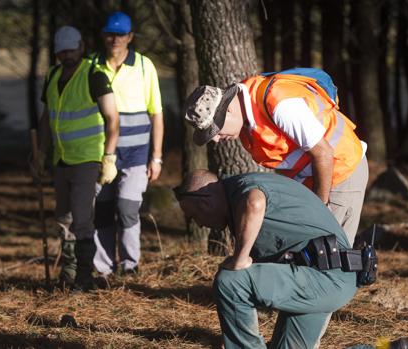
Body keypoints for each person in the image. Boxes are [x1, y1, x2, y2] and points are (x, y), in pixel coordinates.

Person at [174, 169, 358, 349]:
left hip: (326, 276)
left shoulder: (242, 189)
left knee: (229, 281)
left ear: (206, 202)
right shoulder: (237, 194)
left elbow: (255, 203)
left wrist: (240, 257)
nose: (199, 223)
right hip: (328, 278)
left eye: (194, 216)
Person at [183, 71, 368, 247]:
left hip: (341, 172)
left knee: (331, 254)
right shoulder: (248, 121)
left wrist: (318, 211)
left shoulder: (280, 105)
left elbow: (324, 154)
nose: (215, 139)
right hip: (314, 179)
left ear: (229, 110)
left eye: (215, 130)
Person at [32, 26, 119, 291]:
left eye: (71, 50)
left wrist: (109, 157)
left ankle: (84, 277)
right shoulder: (53, 75)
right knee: (63, 218)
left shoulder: (94, 75)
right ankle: (68, 271)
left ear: (81, 47)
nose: (66, 55)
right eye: (62, 51)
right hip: (61, 159)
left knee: (82, 219)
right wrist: (41, 152)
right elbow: (48, 117)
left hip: (87, 159)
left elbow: (112, 118)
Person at [91, 11, 164, 275]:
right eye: (110, 33)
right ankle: (103, 269)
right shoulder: (90, 65)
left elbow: (156, 113)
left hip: (136, 153)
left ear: (130, 37)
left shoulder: (145, 66)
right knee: (102, 209)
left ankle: (130, 266)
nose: (115, 39)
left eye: (120, 34)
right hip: (101, 151)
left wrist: (156, 157)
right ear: (103, 35)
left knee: (127, 207)